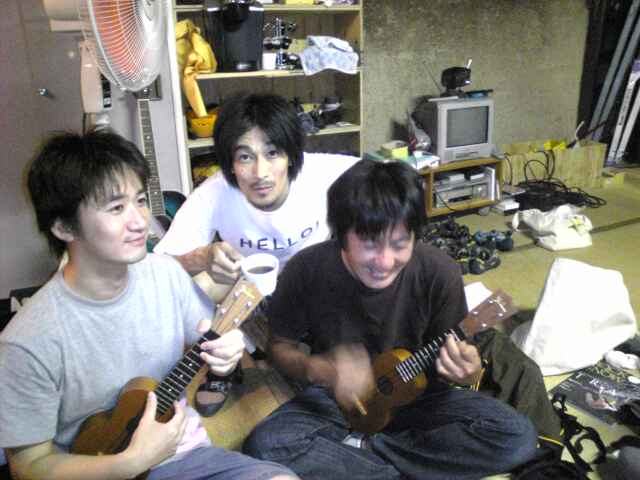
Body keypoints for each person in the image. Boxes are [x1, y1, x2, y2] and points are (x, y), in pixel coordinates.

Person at [0, 130, 297, 480]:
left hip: (180, 457)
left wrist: (225, 357)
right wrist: (128, 463)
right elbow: (29, 465)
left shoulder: (166, 274)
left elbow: (209, 344)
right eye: (116, 208)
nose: (140, 221)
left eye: (140, 200)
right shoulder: (27, 342)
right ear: (64, 227)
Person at [242, 159, 539, 480]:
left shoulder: (439, 271)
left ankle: (365, 454)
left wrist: (469, 371)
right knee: (266, 446)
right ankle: (405, 464)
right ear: (342, 235)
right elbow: (279, 346)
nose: (384, 262)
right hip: (339, 398)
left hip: (419, 397)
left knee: (517, 437)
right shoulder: (306, 269)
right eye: (369, 243)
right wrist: (318, 368)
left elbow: (456, 360)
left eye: (399, 244)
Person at [154, 92, 358, 416]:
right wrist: (201, 258)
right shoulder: (214, 193)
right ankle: (223, 364)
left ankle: (316, 351)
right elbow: (158, 267)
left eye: (273, 153)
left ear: (291, 154)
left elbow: (390, 181)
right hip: (246, 295)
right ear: (230, 163)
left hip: (312, 287)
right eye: (245, 157)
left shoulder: (322, 172)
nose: (260, 172)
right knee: (196, 283)